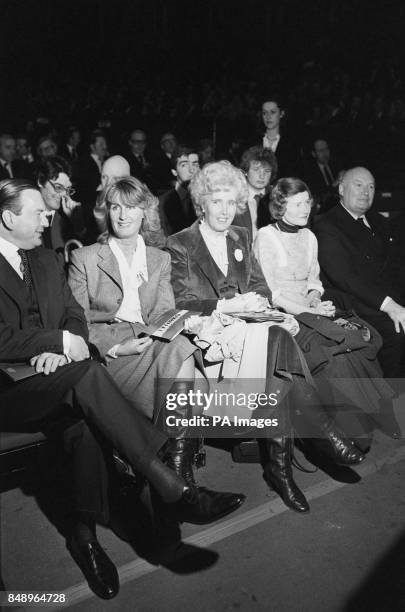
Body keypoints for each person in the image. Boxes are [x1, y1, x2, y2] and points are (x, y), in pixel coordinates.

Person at [0, 179, 245, 599]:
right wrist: (59, 344)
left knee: (88, 421)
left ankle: (84, 536)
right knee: (94, 379)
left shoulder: (42, 259)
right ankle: (173, 484)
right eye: (39, 212)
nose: (49, 217)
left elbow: (73, 315)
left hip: (59, 373)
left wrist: (65, 345)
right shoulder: (80, 258)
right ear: (8, 217)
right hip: (9, 386)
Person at [166, 162, 364, 514]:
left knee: (275, 345)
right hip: (210, 335)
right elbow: (182, 302)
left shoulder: (241, 237)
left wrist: (258, 302)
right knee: (278, 340)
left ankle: (282, 468)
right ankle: (307, 444)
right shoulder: (180, 243)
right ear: (201, 204)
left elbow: (258, 285)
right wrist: (231, 303)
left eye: (232, 203)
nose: (226, 211)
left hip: (252, 330)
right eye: (217, 202)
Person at [68, 176, 244, 506]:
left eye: (131, 208)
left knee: (181, 349)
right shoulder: (86, 258)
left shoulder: (158, 258)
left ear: (144, 212)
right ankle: (180, 478)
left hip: (153, 345)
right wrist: (117, 347)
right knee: (186, 365)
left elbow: (164, 313)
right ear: (107, 212)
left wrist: (187, 326)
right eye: (116, 207)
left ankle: (174, 479)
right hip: (112, 355)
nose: (123, 216)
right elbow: (77, 323)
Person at [254, 177, 398, 447]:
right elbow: (273, 294)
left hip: (311, 308)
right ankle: (359, 426)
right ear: (280, 206)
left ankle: (379, 407)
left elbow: (314, 279)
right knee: (344, 346)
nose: (305, 209)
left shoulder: (309, 236)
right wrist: (311, 310)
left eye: (307, 202)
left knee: (368, 337)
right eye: (297, 204)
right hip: (284, 316)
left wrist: (314, 296)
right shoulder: (266, 236)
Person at [314, 167, 405, 378]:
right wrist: (391, 306)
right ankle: (387, 399)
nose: (366, 191)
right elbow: (346, 278)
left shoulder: (381, 223)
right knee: (395, 331)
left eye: (371, 186)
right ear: (342, 189)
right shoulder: (327, 225)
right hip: (353, 304)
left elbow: (396, 268)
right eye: (359, 185)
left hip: (385, 299)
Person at [33, 156, 85, 254]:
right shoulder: (25, 216)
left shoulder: (65, 219)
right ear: (40, 181)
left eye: (68, 189)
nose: (64, 195)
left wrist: (76, 222)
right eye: (58, 187)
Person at [233, 145, 277, 240]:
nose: (262, 176)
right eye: (256, 170)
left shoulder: (277, 196)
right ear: (246, 171)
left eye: (267, 171)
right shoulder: (234, 197)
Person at [159, 145, 200, 235]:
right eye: (184, 165)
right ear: (174, 171)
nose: (191, 169)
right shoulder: (162, 202)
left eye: (195, 164)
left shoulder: (205, 199)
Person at [259, 96, 298, 177]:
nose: (268, 117)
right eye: (264, 113)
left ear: (281, 114)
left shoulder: (292, 144)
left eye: (272, 112)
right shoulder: (253, 142)